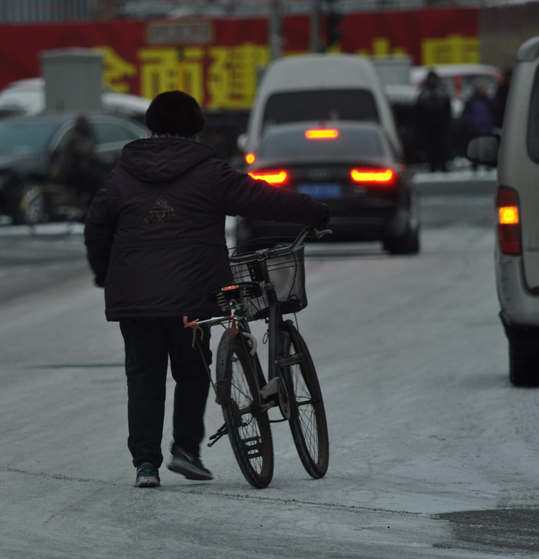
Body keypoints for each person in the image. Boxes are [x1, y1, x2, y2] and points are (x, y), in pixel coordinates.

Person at [84, 91, 330, 488]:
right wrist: (314, 211)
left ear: (150, 128)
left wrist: (105, 273)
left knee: (144, 378)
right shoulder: (208, 172)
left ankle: (145, 466)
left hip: (135, 299)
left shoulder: (122, 175)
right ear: (195, 132)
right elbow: (263, 198)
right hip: (191, 296)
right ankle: (185, 451)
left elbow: (96, 228)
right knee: (191, 372)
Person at [49, 115, 108, 206]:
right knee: (97, 180)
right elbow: (86, 152)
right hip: (70, 172)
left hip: (73, 171)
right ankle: (91, 205)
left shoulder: (79, 137)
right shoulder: (76, 138)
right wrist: (105, 161)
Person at [414, 70, 452, 172]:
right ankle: (433, 166)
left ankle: (443, 165)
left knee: (442, 146)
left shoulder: (441, 91)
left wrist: (445, 122)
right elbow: (419, 110)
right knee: (431, 147)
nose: (432, 81)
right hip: (428, 125)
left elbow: (447, 108)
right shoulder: (424, 92)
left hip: (441, 125)